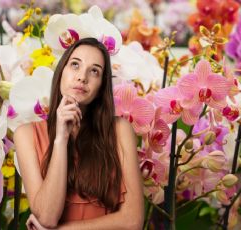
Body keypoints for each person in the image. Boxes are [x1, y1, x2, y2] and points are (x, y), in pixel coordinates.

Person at [14, 37, 144, 230]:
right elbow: (47, 217)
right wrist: (60, 139)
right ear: (61, 73)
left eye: (94, 71)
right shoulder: (25, 134)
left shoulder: (119, 130)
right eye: (75, 65)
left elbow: (133, 221)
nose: (82, 77)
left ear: (101, 87)